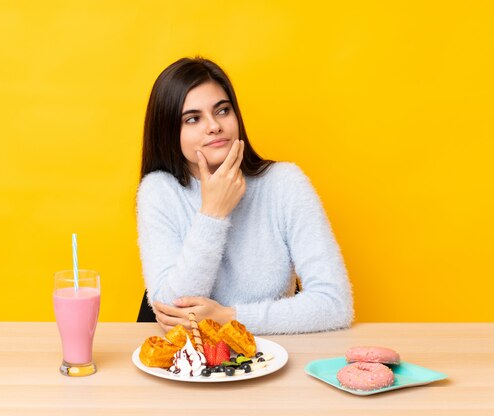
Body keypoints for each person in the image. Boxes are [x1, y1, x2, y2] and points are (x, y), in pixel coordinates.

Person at [137, 57, 353, 335]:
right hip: (191, 365)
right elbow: (172, 312)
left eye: (223, 111)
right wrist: (213, 213)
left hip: (272, 360)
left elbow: (335, 304)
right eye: (192, 119)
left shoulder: (284, 183)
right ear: (169, 133)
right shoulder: (159, 191)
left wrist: (230, 318)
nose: (213, 126)